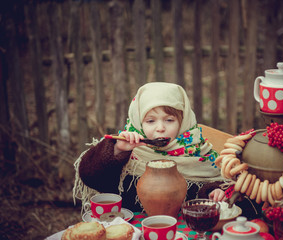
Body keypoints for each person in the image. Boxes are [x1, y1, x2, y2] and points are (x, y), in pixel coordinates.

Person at [73, 82, 226, 213]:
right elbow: (90, 176)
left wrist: (214, 192)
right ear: (139, 121)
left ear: (183, 121)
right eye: (151, 121)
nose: (160, 128)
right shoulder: (129, 152)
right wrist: (118, 150)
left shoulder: (198, 152)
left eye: (169, 120)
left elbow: (217, 185)